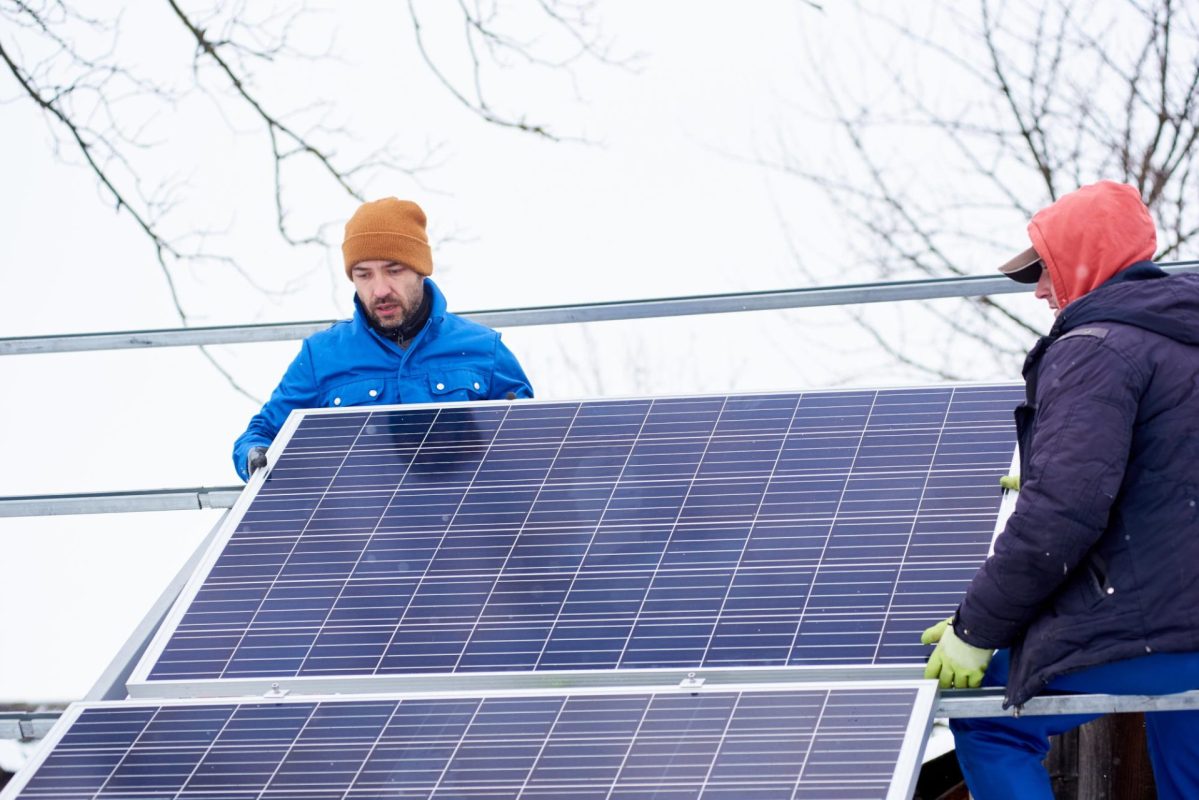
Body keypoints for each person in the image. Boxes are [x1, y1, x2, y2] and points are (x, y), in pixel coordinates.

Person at [920, 180, 1199, 798]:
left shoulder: (1095, 348)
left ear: (1088, 257)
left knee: (990, 721)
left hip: (1158, 626)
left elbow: (1062, 513)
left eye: (1045, 270)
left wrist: (976, 630)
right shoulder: (1183, 336)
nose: (1041, 290)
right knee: (1186, 726)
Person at [232, 198, 533, 480]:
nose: (380, 290)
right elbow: (261, 434)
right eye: (364, 275)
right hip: (361, 532)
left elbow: (533, 442)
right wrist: (255, 457)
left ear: (420, 269)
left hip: (465, 525)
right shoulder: (321, 356)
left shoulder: (483, 348)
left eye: (393, 270)